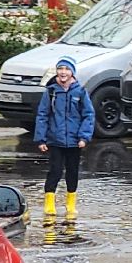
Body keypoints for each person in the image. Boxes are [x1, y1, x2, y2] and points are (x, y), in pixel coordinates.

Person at [34, 56, 94, 222]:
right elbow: (42, 115)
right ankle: (49, 201)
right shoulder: (51, 91)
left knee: (73, 171)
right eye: (60, 69)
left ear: (72, 72)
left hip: (75, 141)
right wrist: (41, 139)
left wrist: (84, 137)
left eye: (67, 69)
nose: (63, 72)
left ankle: (71, 202)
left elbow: (88, 115)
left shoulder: (80, 92)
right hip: (55, 140)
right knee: (55, 170)